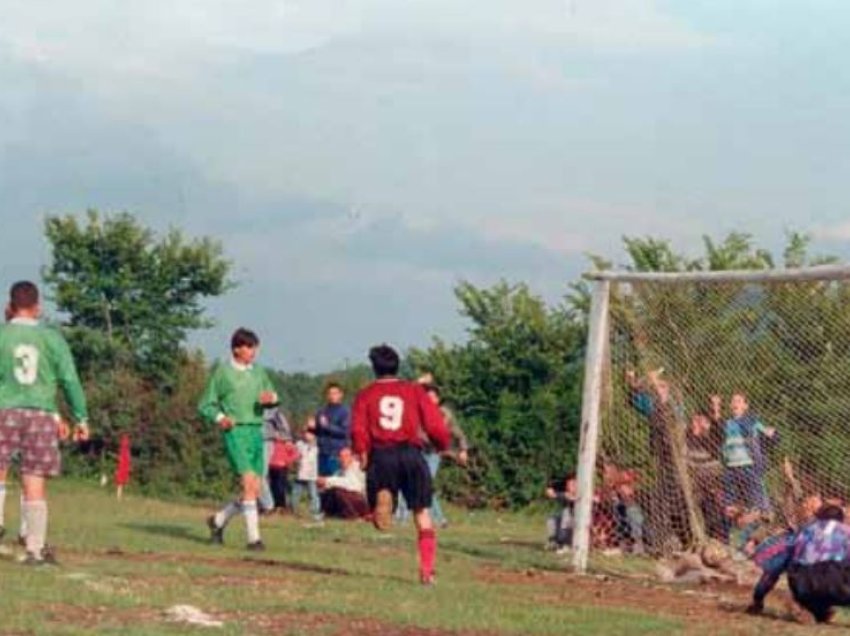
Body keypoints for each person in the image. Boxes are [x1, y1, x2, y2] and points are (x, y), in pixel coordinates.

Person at [0, 281, 90, 564]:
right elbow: (70, 380)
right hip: (40, 414)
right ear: (37, 307)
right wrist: (81, 417)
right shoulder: (52, 338)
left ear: (11, 306)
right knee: (34, 479)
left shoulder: (2, 335)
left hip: (5, 409)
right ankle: (35, 549)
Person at [352, 344, 450, 585]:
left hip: (381, 454)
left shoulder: (366, 394)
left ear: (374, 368)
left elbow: (358, 428)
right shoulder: (413, 390)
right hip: (410, 453)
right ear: (398, 366)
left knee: (378, 507)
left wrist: (362, 451)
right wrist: (441, 443)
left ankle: (384, 500)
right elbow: (434, 422)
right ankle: (427, 571)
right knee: (422, 512)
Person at [198, 328, 279, 551]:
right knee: (248, 481)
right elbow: (206, 403)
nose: (254, 351)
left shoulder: (259, 372)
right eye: (250, 347)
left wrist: (270, 398)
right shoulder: (223, 373)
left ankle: (217, 521)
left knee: (252, 488)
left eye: (255, 347)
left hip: (256, 432)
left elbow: (273, 395)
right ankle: (254, 539)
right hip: (236, 432)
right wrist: (221, 417)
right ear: (237, 349)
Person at [419, 384, 468, 528]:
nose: (430, 399)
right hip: (419, 451)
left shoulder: (445, 414)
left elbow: (458, 433)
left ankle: (439, 519)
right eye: (428, 397)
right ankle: (401, 519)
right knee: (417, 484)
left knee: (426, 484)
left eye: (433, 396)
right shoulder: (419, 411)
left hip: (434, 453)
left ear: (438, 399)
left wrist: (463, 449)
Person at [722, 392, 776, 515]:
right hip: (731, 464)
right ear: (730, 405)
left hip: (748, 462)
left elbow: (766, 432)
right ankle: (734, 512)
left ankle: (764, 511)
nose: (735, 403)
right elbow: (722, 440)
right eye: (733, 401)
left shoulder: (752, 422)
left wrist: (771, 433)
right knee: (729, 490)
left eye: (739, 401)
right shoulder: (727, 423)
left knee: (755, 490)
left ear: (745, 406)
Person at [317, 447, 369, 519]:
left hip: (363, 500)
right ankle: (327, 513)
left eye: (345, 457)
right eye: (340, 457)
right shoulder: (340, 471)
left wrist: (327, 481)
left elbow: (353, 486)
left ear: (352, 457)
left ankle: (353, 516)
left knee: (339, 492)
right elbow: (335, 481)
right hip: (353, 498)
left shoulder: (357, 468)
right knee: (327, 491)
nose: (342, 459)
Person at [259, 407, 293, 513]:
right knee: (250, 474)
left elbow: (282, 423)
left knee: (260, 474)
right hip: (251, 439)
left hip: (266, 440)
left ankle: (268, 505)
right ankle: (262, 504)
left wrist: (287, 439)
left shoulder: (271, 409)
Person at [314, 382, 350, 478]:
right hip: (322, 453)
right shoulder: (321, 411)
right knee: (323, 486)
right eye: (330, 393)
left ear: (340, 395)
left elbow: (345, 431)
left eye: (335, 393)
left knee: (336, 484)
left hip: (336, 454)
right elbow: (318, 432)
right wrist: (311, 428)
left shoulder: (345, 411)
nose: (332, 396)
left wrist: (327, 426)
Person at [291, 428, 321, 520]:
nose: (307, 436)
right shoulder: (299, 444)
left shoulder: (317, 446)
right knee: (296, 492)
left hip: (311, 474)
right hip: (300, 472)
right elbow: (294, 453)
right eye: (305, 433)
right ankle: (294, 510)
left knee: (313, 493)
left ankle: (315, 511)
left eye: (310, 434)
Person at [545, 473, 577, 552]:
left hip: (578, 520)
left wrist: (558, 495)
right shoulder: (565, 492)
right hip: (568, 519)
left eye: (573, 484)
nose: (570, 486)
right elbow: (550, 492)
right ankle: (554, 541)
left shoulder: (583, 492)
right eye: (568, 484)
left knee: (566, 513)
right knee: (552, 519)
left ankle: (566, 544)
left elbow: (572, 498)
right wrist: (550, 489)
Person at [114, 433, 131, 500]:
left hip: (124, 468)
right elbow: (121, 459)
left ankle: (120, 496)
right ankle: (119, 497)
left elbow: (123, 459)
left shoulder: (125, 450)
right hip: (122, 468)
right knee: (120, 483)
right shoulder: (124, 450)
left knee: (121, 483)